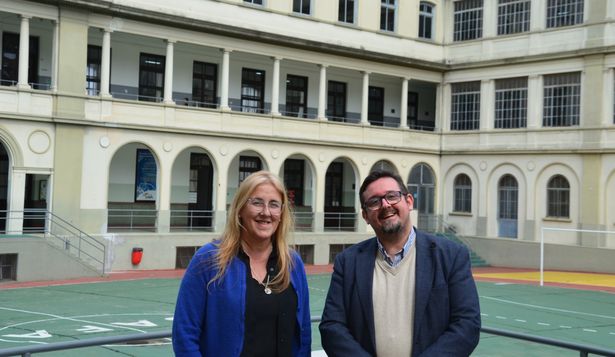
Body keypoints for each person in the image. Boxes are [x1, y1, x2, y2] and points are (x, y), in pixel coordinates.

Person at [319, 170, 480, 357]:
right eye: (374, 202)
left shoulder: (451, 256)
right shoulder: (348, 262)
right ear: (365, 216)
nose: (385, 205)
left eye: (392, 196)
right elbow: (332, 327)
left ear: (409, 201)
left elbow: (467, 325)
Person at [172, 170, 311, 356]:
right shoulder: (209, 259)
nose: (266, 212)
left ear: (282, 213)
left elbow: (303, 334)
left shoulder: (293, 263)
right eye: (257, 202)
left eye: (274, 205)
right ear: (240, 209)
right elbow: (184, 334)